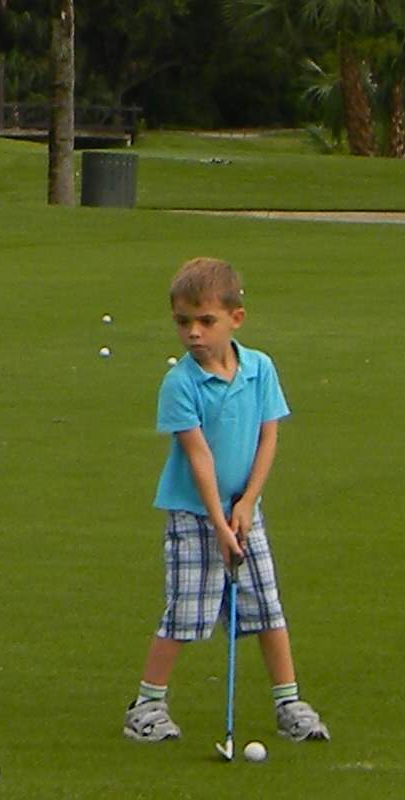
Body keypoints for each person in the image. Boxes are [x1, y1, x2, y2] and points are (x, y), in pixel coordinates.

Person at [124, 257, 328, 745]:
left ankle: (289, 702)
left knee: (266, 607)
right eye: (182, 322)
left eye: (205, 321)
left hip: (242, 512)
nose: (193, 333)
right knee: (187, 612)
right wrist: (220, 521)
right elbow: (198, 458)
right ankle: (147, 705)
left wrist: (247, 504)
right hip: (196, 516)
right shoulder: (180, 384)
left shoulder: (260, 369)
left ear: (235, 318)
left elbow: (269, 438)